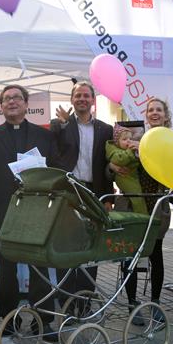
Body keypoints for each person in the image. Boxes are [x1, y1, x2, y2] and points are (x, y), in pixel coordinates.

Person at [0, 84, 57, 338]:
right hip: (3, 213)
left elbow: (54, 173)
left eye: (17, 98)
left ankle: (42, 321)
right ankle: (8, 320)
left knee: (40, 268)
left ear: (25, 104)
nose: (12, 102)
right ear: (1, 106)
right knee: (7, 270)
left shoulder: (45, 136)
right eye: (7, 99)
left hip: (36, 211)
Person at [50, 81, 114, 301]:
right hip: (68, 191)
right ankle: (66, 297)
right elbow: (54, 156)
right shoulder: (59, 125)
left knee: (91, 245)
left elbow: (107, 164)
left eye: (86, 95)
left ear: (93, 100)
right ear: (71, 100)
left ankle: (85, 298)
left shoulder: (106, 129)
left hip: (94, 193)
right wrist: (62, 126)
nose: (82, 99)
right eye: (78, 96)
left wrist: (109, 198)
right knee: (66, 243)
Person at [118, 98, 173, 318]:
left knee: (156, 255)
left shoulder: (170, 140)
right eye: (151, 110)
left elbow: (167, 168)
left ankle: (156, 303)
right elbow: (112, 164)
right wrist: (114, 165)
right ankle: (132, 303)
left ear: (165, 115)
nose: (154, 113)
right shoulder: (133, 138)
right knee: (130, 255)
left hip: (156, 204)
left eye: (159, 109)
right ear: (146, 115)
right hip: (133, 204)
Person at [105, 126, 147, 215]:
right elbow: (119, 160)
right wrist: (131, 152)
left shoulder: (128, 149)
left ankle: (143, 216)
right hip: (125, 178)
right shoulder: (117, 150)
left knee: (138, 197)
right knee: (137, 197)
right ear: (117, 142)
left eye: (130, 138)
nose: (128, 141)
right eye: (124, 139)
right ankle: (143, 216)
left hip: (135, 178)